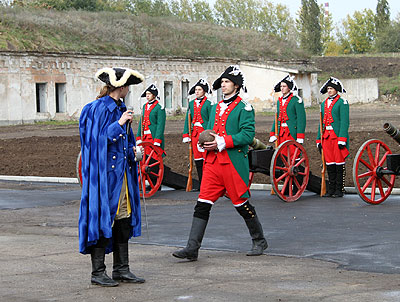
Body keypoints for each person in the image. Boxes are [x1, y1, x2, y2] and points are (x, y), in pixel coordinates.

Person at [172, 65, 268, 261]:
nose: (223, 85)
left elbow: (247, 135)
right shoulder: (215, 108)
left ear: (236, 85)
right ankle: (192, 248)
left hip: (232, 164)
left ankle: (259, 240)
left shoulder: (244, 108)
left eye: (226, 82)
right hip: (213, 165)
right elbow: (209, 130)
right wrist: (205, 142)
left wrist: (223, 141)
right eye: (222, 82)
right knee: (202, 204)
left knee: (241, 204)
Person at [79, 67, 146, 287]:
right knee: (101, 220)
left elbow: (123, 143)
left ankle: (121, 269)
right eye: (128, 86)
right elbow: (95, 142)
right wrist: (118, 125)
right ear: (121, 87)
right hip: (104, 177)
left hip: (122, 176)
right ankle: (97, 272)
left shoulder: (121, 108)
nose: (129, 90)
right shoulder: (96, 109)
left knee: (123, 220)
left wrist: (133, 152)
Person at [317, 77, 349, 198]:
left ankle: (339, 189)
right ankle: (331, 189)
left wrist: (342, 139)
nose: (329, 91)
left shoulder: (342, 103)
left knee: (339, 163)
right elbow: (321, 123)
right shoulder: (324, 104)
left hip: (337, 137)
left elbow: (344, 122)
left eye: (332, 89)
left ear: (337, 90)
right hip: (326, 137)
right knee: (329, 163)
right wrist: (318, 139)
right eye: (328, 88)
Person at [182, 78, 212, 183]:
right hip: (194, 134)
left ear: (204, 91)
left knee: (206, 158)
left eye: (199, 90)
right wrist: (186, 134)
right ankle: (201, 182)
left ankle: (207, 182)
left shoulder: (209, 104)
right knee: (197, 159)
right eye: (196, 90)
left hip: (205, 134)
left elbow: (210, 120)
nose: (197, 92)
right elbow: (188, 119)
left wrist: (209, 134)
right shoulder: (191, 103)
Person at [269, 74, 306, 148]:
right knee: (282, 154)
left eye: (284, 86)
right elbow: (277, 118)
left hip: (292, 132)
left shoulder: (296, 100)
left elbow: (301, 119)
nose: (282, 88)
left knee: (293, 154)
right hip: (281, 133)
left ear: (289, 88)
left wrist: (300, 136)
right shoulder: (279, 101)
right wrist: (273, 133)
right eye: (281, 86)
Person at [136, 84, 166, 155]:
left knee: (154, 156)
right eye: (146, 94)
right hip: (145, 137)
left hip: (153, 136)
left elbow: (160, 125)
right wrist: (138, 137)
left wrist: (157, 139)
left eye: (149, 94)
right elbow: (141, 122)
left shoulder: (159, 107)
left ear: (154, 95)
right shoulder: (144, 106)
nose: (147, 95)